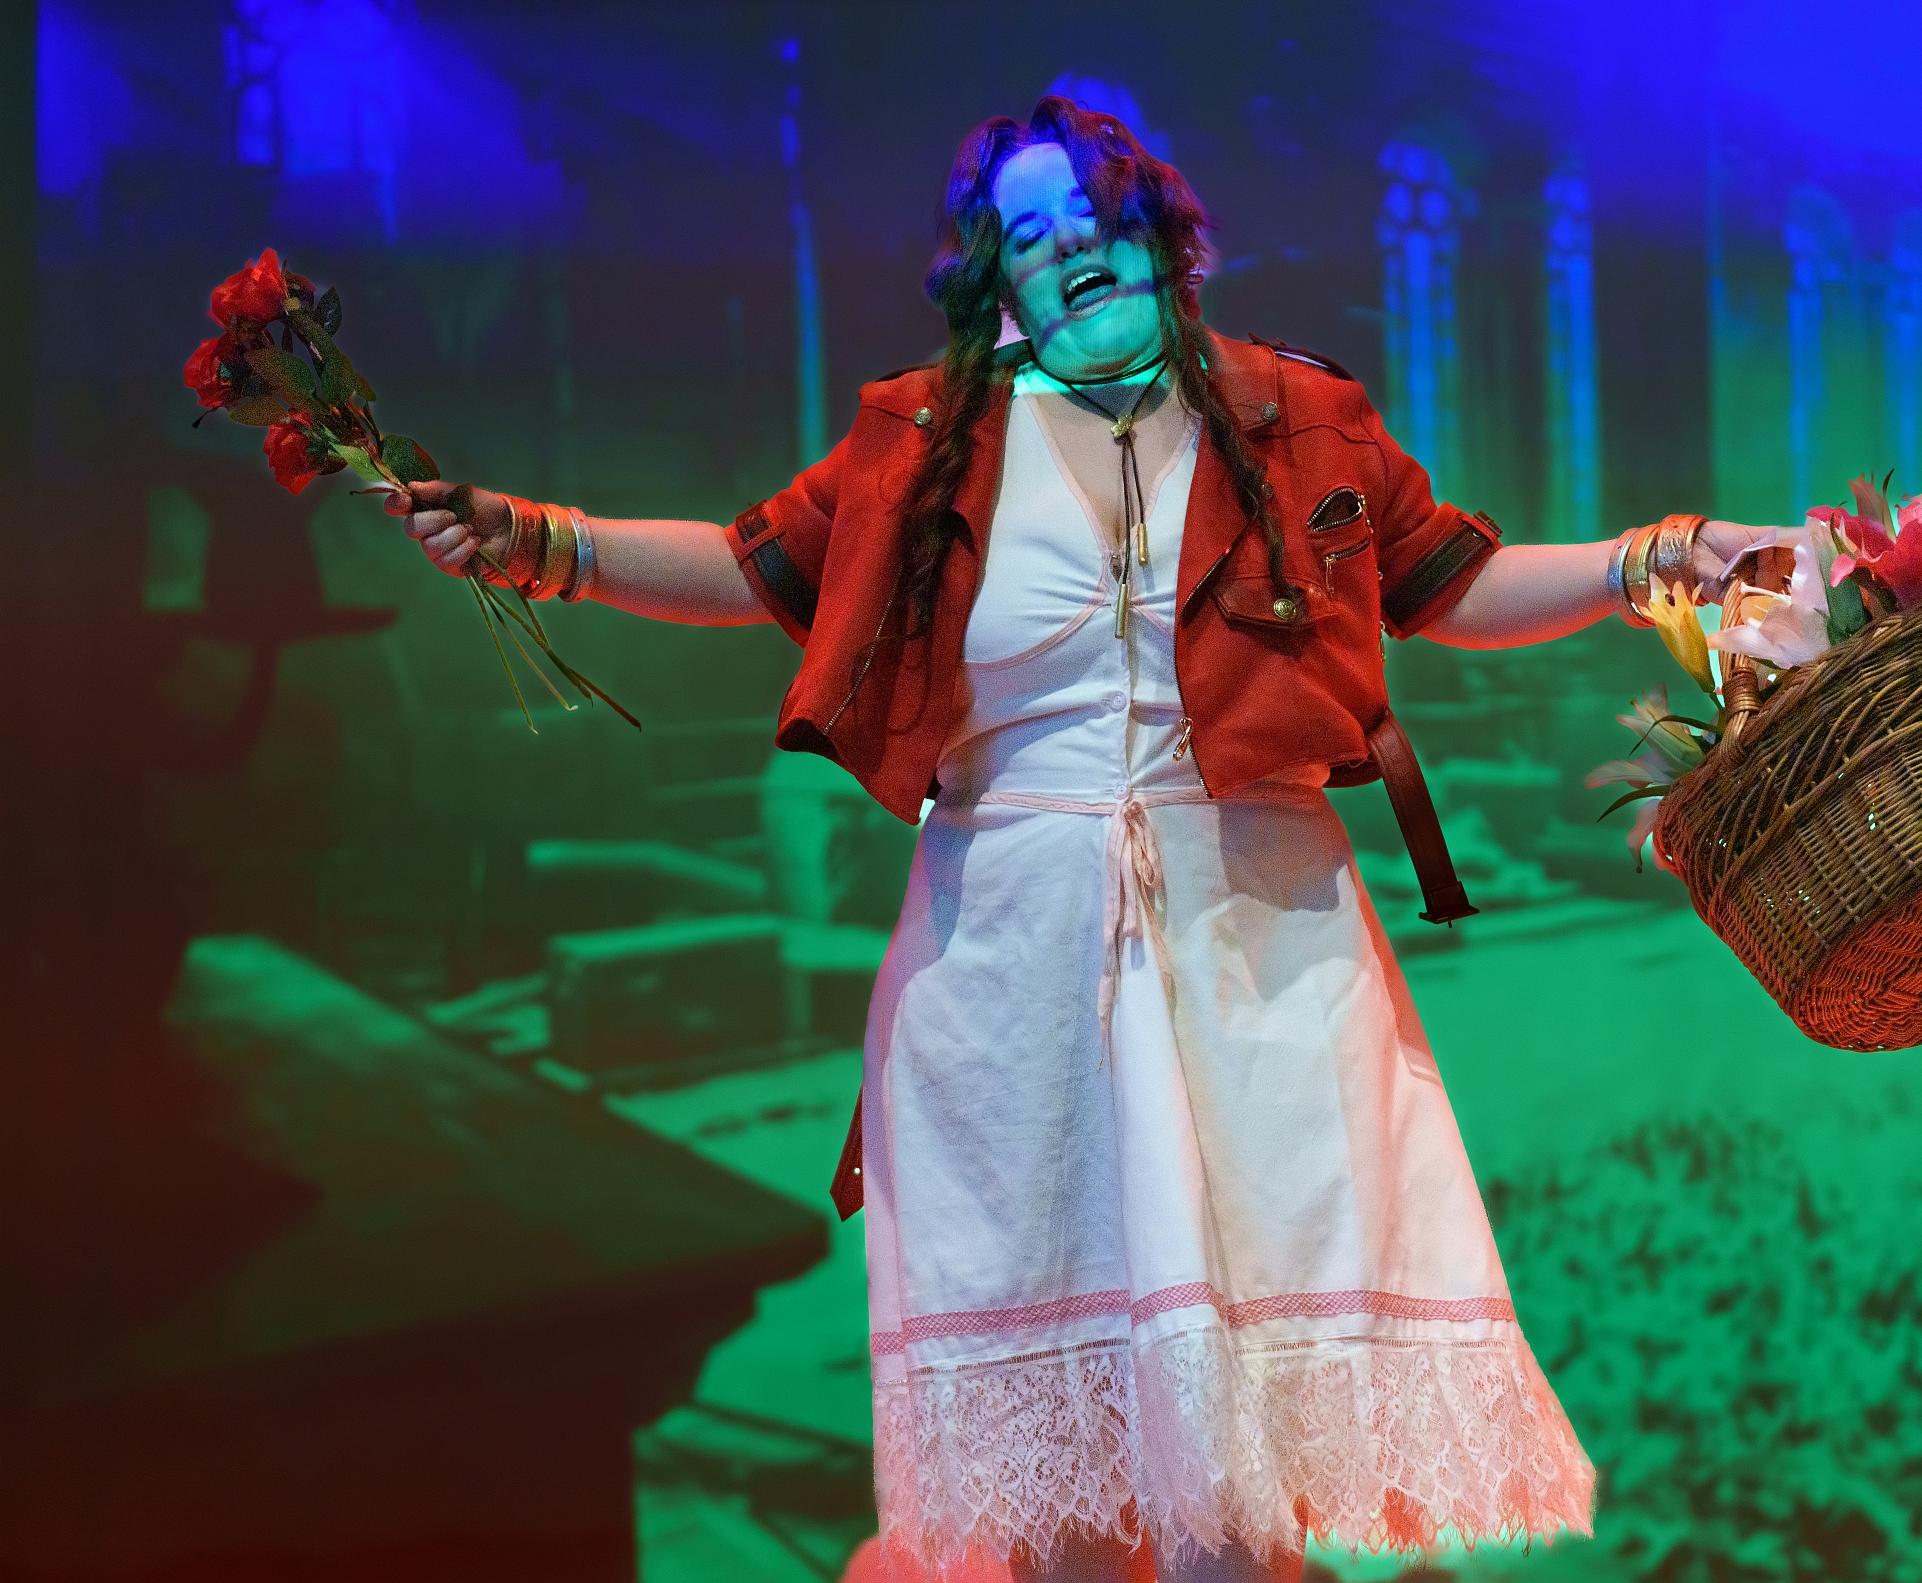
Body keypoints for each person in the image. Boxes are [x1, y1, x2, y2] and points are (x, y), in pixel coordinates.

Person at [387, 97, 1772, 1583]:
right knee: (1064, 1502)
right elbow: (753, 570)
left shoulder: (1296, 415)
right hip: (1012, 971)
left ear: (1160, 238)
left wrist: (1651, 560)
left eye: (1095, 218)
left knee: (1241, 1494)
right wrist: (547, 544)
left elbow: (1454, 583)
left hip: (1260, 955)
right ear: (999, 283)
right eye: (1030, 236)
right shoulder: (923, 443)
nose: (1070, 249)